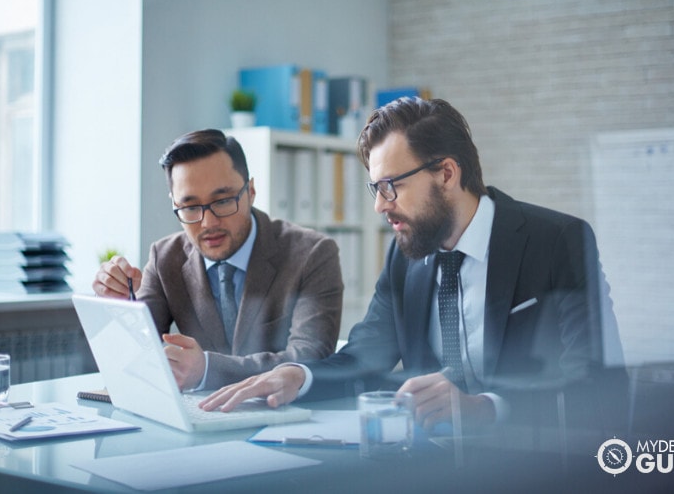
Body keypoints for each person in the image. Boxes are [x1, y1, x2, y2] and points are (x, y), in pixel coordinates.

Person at [198, 97, 628, 434]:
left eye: (391, 187)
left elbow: (596, 384)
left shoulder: (556, 242)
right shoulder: (406, 257)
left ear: (446, 173)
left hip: (535, 465)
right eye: (375, 189)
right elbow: (366, 356)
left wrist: (484, 409)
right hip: (428, 464)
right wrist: (296, 376)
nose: (380, 207)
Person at [92, 129, 343, 391]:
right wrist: (118, 307)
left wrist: (209, 370)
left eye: (223, 201)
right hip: (198, 417)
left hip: (282, 417)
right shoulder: (164, 258)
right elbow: (133, 358)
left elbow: (310, 358)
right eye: (190, 207)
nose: (208, 223)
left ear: (251, 191)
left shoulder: (313, 254)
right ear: (175, 204)